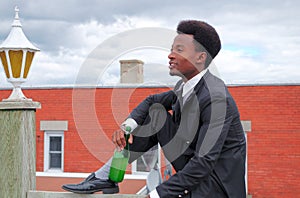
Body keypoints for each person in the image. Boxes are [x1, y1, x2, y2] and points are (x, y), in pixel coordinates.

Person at [62, 20, 246, 198]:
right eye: (172, 49)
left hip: (216, 189)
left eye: (179, 50)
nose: (170, 55)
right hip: (193, 178)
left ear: (200, 57)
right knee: (157, 113)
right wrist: (127, 127)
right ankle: (106, 177)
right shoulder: (184, 88)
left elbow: (204, 162)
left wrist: (158, 194)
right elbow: (152, 101)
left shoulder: (217, 99)